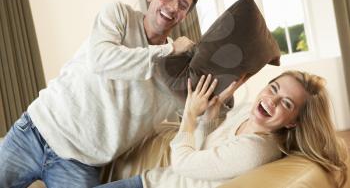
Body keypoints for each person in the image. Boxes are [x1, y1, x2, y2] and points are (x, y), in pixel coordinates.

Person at [0, 0, 199, 187]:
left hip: (79, 164)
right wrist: (168, 50)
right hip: (33, 132)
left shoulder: (174, 67)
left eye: (182, 5)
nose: (172, 7)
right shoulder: (119, 14)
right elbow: (102, 60)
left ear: (185, 16)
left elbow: (197, 103)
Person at [95, 70, 348, 188]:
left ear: (293, 121)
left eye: (287, 103)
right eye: (273, 88)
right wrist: (210, 119)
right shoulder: (245, 113)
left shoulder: (255, 150)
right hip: (151, 179)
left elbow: (182, 162)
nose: (272, 100)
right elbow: (202, 149)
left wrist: (192, 115)